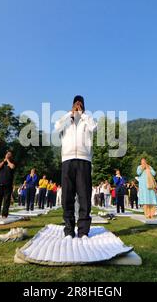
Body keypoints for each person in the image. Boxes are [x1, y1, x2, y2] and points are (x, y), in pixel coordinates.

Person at [54, 95, 97, 238]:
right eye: (76, 103)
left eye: (80, 104)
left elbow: (94, 127)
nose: (78, 105)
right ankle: (68, 229)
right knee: (67, 195)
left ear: (84, 106)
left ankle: (83, 231)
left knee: (84, 195)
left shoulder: (87, 120)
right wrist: (70, 114)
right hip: (68, 159)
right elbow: (56, 126)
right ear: (72, 105)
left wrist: (83, 114)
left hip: (84, 160)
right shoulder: (66, 120)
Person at [0, 152, 16, 219]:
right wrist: (4, 161)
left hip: (8, 185)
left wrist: (8, 161)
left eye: (9, 154)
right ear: (5, 155)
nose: (8, 155)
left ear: (11, 156)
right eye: (7, 154)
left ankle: (4, 215)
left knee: (6, 200)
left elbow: (12, 167)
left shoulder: (13, 162)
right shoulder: (2, 162)